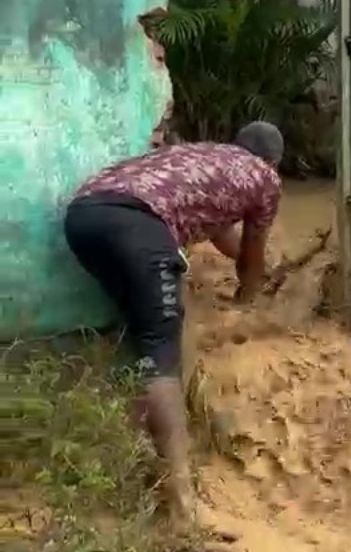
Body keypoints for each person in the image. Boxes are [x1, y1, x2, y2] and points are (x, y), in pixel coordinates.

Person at [62, 122, 284, 526]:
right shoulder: (265, 178)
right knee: (162, 345)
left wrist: (249, 266)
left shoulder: (207, 158)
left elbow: (222, 236)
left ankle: (115, 452)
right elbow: (252, 252)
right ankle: (183, 502)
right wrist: (249, 298)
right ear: (272, 161)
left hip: (83, 216)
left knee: (140, 331)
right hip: (137, 222)